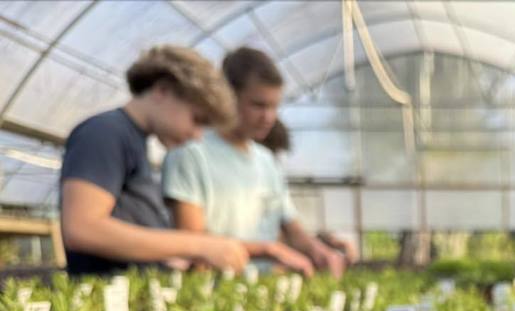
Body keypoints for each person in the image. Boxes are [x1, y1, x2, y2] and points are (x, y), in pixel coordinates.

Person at [163, 47, 355, 278]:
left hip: (264, 290)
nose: (269, 117)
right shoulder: (191, 154)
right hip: (212, 294)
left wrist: (322, 252)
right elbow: (192, 243)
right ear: (228, 97)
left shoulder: (266, 162)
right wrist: (269, 250)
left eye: (274, 106)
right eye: (258, 105)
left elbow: (292, 229)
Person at [60, 46, 250, 275]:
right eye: (196, 119)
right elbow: (82, 228)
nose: (197, 135)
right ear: (162, 90)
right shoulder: (105, 132)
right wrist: (199, 245)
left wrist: (169, 255)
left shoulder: (135, 142)